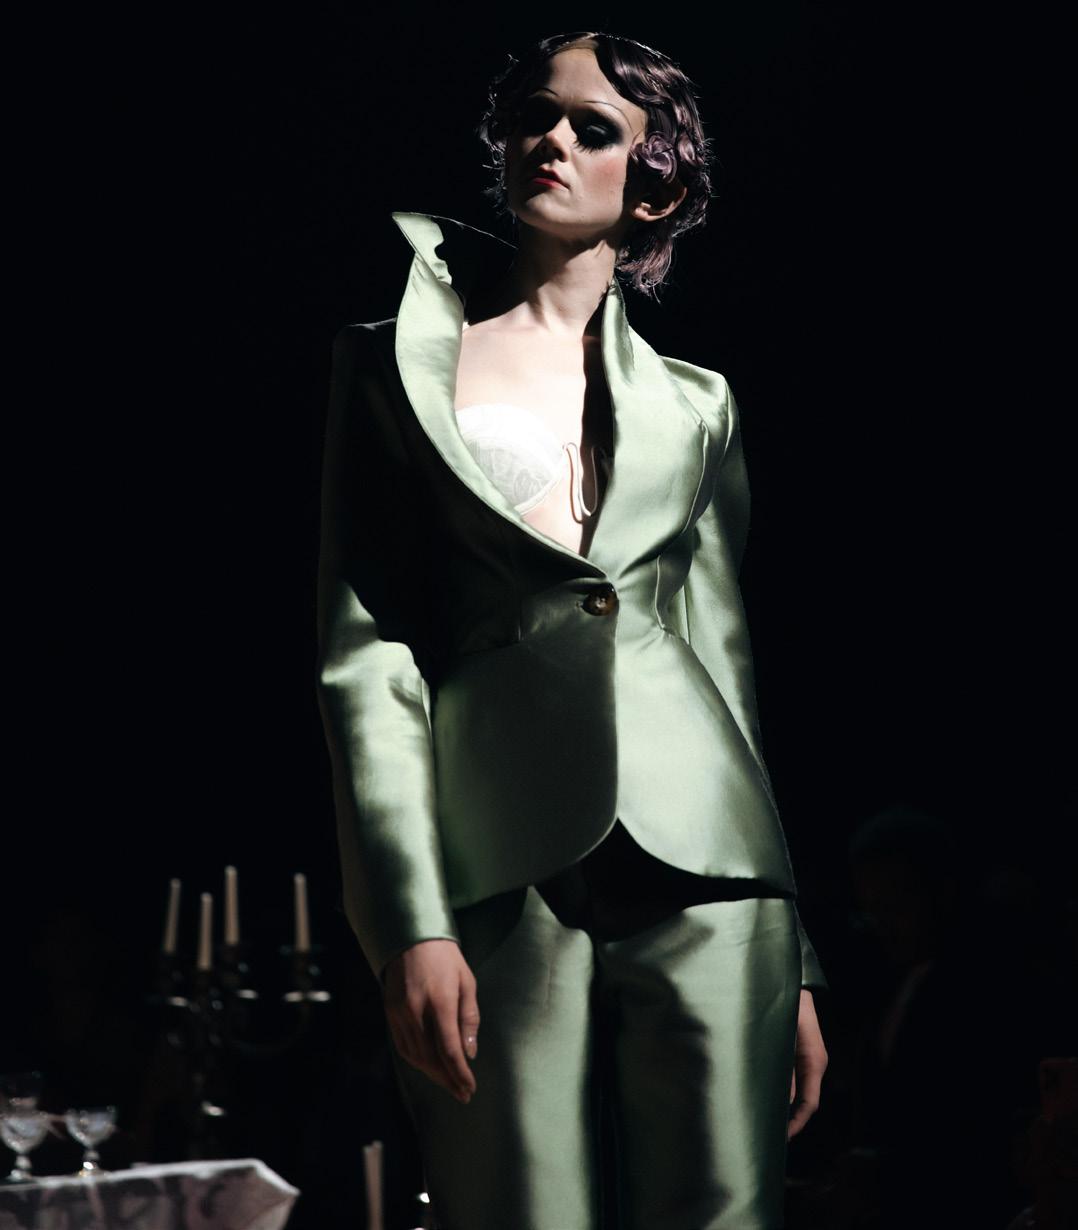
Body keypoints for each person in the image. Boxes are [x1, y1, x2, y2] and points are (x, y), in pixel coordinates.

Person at [316, 30, 827, 1229]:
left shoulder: (698, 404)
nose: (549, 140)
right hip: (500, 857)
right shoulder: (393, 367)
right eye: (532, 118)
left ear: (654, 186)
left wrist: (798, 957)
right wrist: (406, 921)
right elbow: (366, 654)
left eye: (593, 128)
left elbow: (725, 664)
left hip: (709, 868)